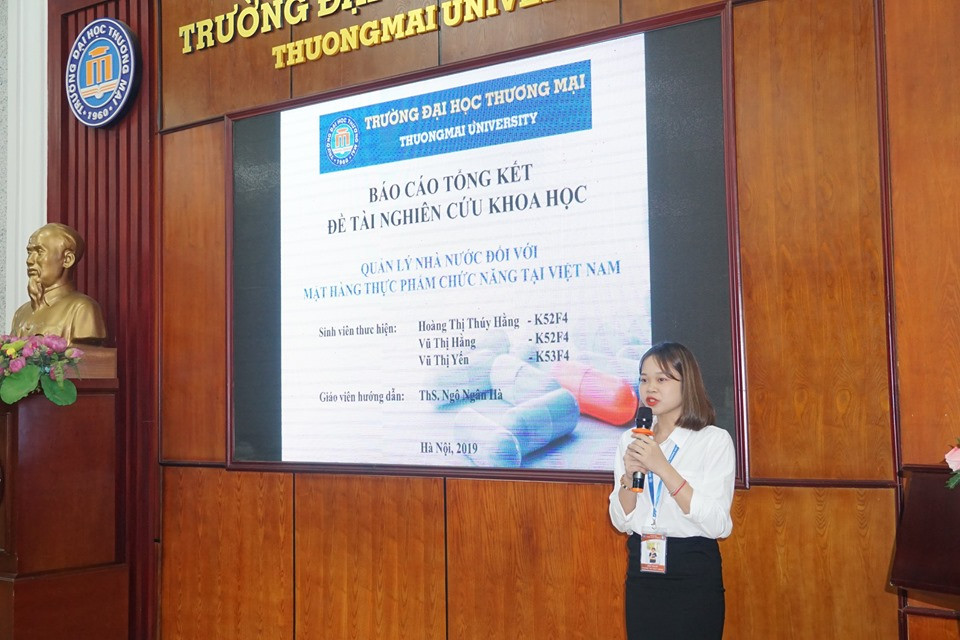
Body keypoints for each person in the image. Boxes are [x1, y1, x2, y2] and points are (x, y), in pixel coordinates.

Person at [609, 341, 735, 639]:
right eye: (644, 379)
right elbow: (621, 520)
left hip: (692, 572)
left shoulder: (713, 441)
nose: (650, 388)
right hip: (643, 572)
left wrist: (663, 467)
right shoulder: (631, 439)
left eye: (662, 379)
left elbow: (718, 524)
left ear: (686, 383)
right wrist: (629, 478)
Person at [10, 223, 107, 345]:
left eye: (40, 252)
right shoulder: (21, 313)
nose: (29, 260)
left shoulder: (82, 309)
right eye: (30, 252)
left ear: (67, 259)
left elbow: (86, 355)